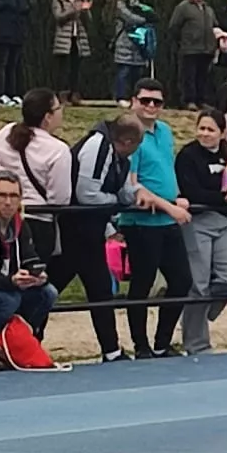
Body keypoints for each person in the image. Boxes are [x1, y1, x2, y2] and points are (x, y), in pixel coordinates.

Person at [113, 79, 195, 357]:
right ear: (134, 101)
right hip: (141, 221)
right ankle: (142, 345)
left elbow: (164, 169)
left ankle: (162, 343)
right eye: (145, 100)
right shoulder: (130, 134)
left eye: (156, 101)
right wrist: (170, 207)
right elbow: (132, 184)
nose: (150, 106)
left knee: (181, 279)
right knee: (142, 283)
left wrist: (176, 196)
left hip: (167, 217)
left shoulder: (165, 131)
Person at [61, 112, 144, 362]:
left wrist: (134, 194)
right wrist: (117, 203)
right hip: (72, 231)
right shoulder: (98, 147)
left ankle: (112, 350)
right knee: (54, 285)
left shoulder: (116, 156)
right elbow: (87, 194)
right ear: (128, 142)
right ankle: (25, 339)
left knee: (100, 289)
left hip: (91, 231)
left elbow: (119, 189)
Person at [174, 108, 227, 355]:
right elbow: (191, 191)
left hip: (223, 223)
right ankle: (196, 344)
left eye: (211, 129)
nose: (205, 133)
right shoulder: (187, 155)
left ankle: (200, 310)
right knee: (198, 285)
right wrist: (225, 198)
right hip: (197, 222)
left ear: (222, 133)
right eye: (201, 128)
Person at [0, 173, 58, 361]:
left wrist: (37, 274)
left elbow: (30, 257)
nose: (8, 202)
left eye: (13, 196)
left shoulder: (20, 224)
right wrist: (12, 282)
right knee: (8, 300)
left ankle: (19, 339)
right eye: (2, 196)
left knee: (49, 292)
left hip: (9, 284)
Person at [0, 88, 72, 255]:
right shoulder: (58, 150)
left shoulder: (6, 132)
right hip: (39, 221)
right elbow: (60, 198)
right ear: (48, 116)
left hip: (3, 216)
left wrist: (1, 196)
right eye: (58, 108)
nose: (62, 112)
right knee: (33, 274)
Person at [168, 0, 220, 109]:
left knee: (202, 77)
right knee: (188, 77)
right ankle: (189, 101)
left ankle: (201, 100)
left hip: (207, 49)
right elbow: (174, 26)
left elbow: (215, 25)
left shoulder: (208, 9)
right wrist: (183, 41)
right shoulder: (183, 7)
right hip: (189, 49)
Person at [52, 0, 93, 102]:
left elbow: (89, 21)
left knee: (76, 68)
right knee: (63, 68)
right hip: (64, 38)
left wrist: (85, 10)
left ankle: (74, 93)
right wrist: (74, 9)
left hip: (78, 37)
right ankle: (61, 93)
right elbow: (58, 16)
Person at [112, 0, 154, 104]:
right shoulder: (119, 5)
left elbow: (152, 17)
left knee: (138, 72)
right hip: (124, 43)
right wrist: (144, 19)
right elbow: (129, 18)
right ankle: (121, 97)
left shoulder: (139, 6)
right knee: (124, 72)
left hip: (138, 44)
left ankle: (135, 98)